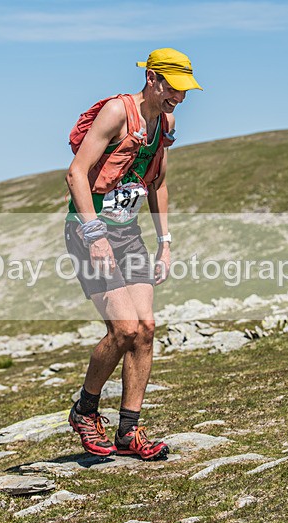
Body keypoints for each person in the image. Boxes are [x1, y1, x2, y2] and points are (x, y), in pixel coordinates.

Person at [64, 48, 201, 460]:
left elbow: (157, 183)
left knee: (145, 328)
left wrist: (166, 242)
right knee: (123, 328)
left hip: (129, 234)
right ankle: (85, 410)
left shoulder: (166, 123)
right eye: (174, 89)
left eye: (185, 91)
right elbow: (75, 174)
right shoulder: (116, 113)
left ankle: (128, 431)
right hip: (90, 231)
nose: (179, 97)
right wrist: (95, 234)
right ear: (153, 79)